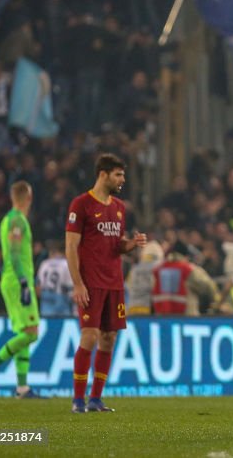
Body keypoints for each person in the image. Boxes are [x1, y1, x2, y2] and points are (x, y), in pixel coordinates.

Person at [66, 153, 148, 413]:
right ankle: (78, 400)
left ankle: (95, 399)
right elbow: (70, 247)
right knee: (88, 336)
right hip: (91, 282)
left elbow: (116, 245)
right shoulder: (81, 205)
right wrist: (78, 284)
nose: (122, 179)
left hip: (114, 283)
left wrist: (131, 244)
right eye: (118, 175)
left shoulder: (120, 207)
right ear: (103, 174)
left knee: (109, 338)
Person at [0, 181, 41, 398]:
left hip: (12, 280)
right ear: (29, 198)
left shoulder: (7, 220)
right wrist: (24, 282)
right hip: (17, 281)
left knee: (24, 333)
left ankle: (22, 388)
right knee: (32, 333)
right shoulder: (17, 221)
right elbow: (14, 254)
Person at [37, 240, 75, 316]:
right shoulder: (66, 264)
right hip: (62, 305)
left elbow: (38, 289)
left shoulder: (44, 264)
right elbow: (72, 290)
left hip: (45, 305)